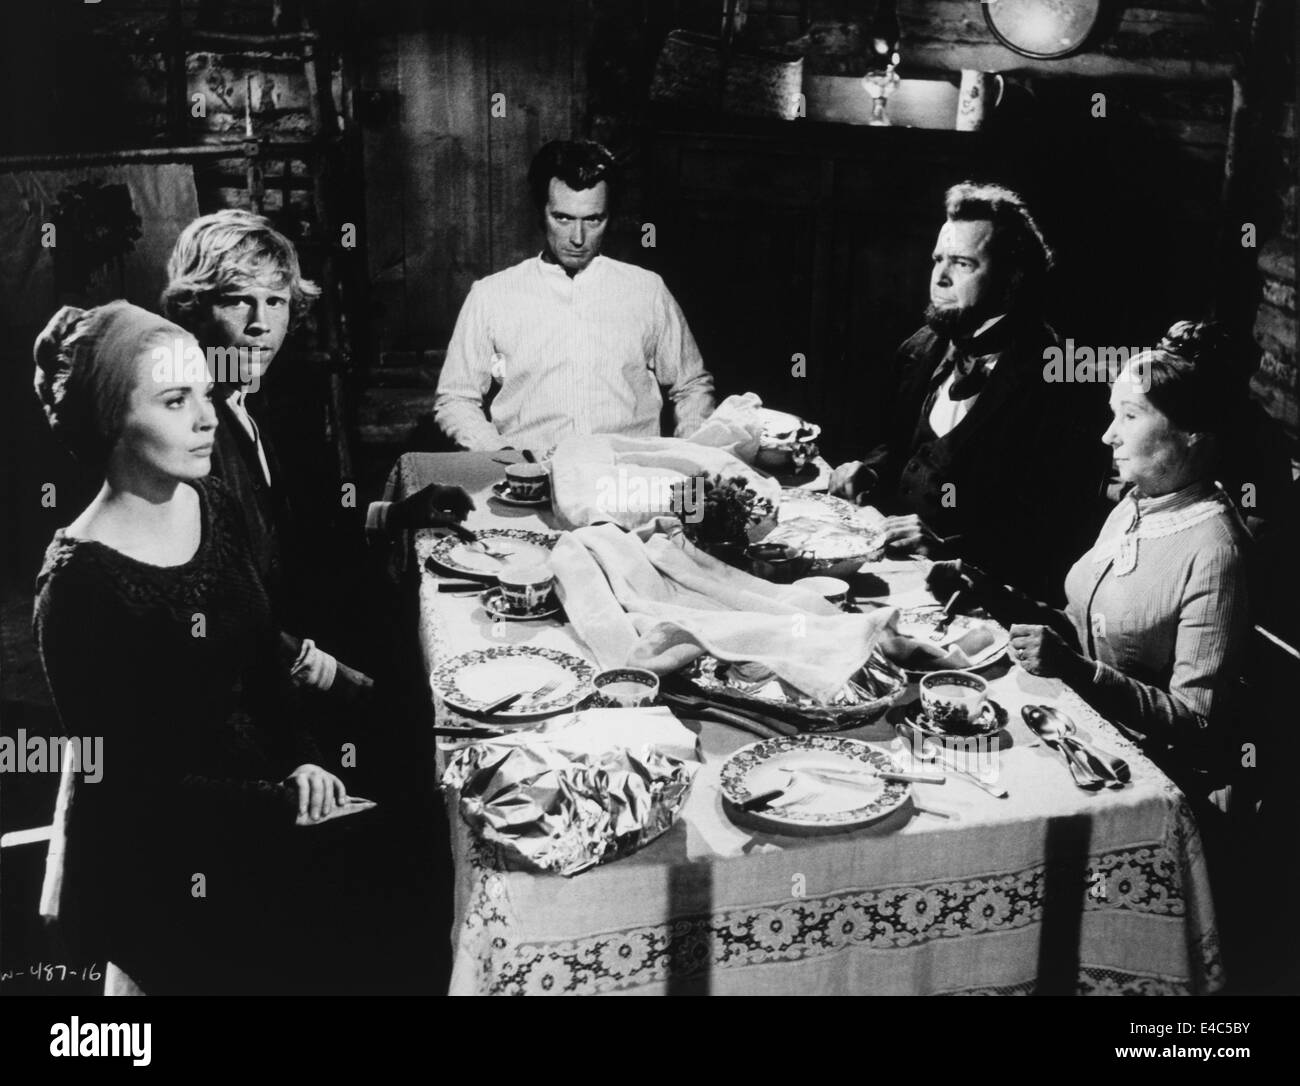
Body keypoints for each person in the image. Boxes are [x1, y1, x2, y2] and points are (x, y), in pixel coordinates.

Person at [31, 302, 434, 994]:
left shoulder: (206, 502)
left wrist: (307, 758)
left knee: (430, 825)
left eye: (204, 393)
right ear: (109, 418)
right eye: (173, 400)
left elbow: (260, 659)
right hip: (169, 860)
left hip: (269, 783)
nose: (206, 417)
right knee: (398, 906)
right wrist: (282, 800)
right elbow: (131, 789)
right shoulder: (78, 585)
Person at [161, 210, 473, 697]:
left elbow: (297, 530)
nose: (260, 324)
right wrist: (326, 672)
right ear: (194, 310)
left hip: (289, 632)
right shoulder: (190, 434)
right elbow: (206, 612)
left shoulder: (251, 400)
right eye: (237, 301)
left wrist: (395, 513)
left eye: (275, 302)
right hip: (241, 682)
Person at [927, 347, 1251, 788]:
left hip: (1148, 778)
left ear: (1192, 432)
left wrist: (1077, 670)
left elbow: (1197, 724)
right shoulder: (1136, 506)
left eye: (1130, 416)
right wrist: (990, 591)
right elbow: (1078, 628)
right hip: (1081, 730)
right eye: (1111, 414)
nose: (1108, 436)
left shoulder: (1216, 551)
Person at [829, 182, 1109, 600]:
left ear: (1012, 278)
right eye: (937, 260)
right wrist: (868, 469)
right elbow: (899, 446)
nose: (939, 278)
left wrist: (952, 550)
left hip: (987, 599)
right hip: (894, 575)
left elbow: (1058, 537)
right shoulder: (920, 347)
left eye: (961, 264)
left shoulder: (1067, 383)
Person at [434, 139, 716, 452]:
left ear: (609, 216)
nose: (578, 238)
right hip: (530, 479)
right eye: (563, 218)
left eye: (593, 219)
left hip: (624, 478)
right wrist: (498, 454)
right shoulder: (491, 295)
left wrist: (689, 452)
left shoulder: (646, 290)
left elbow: (692, 385)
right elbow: (456, 398)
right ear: (541, 213)